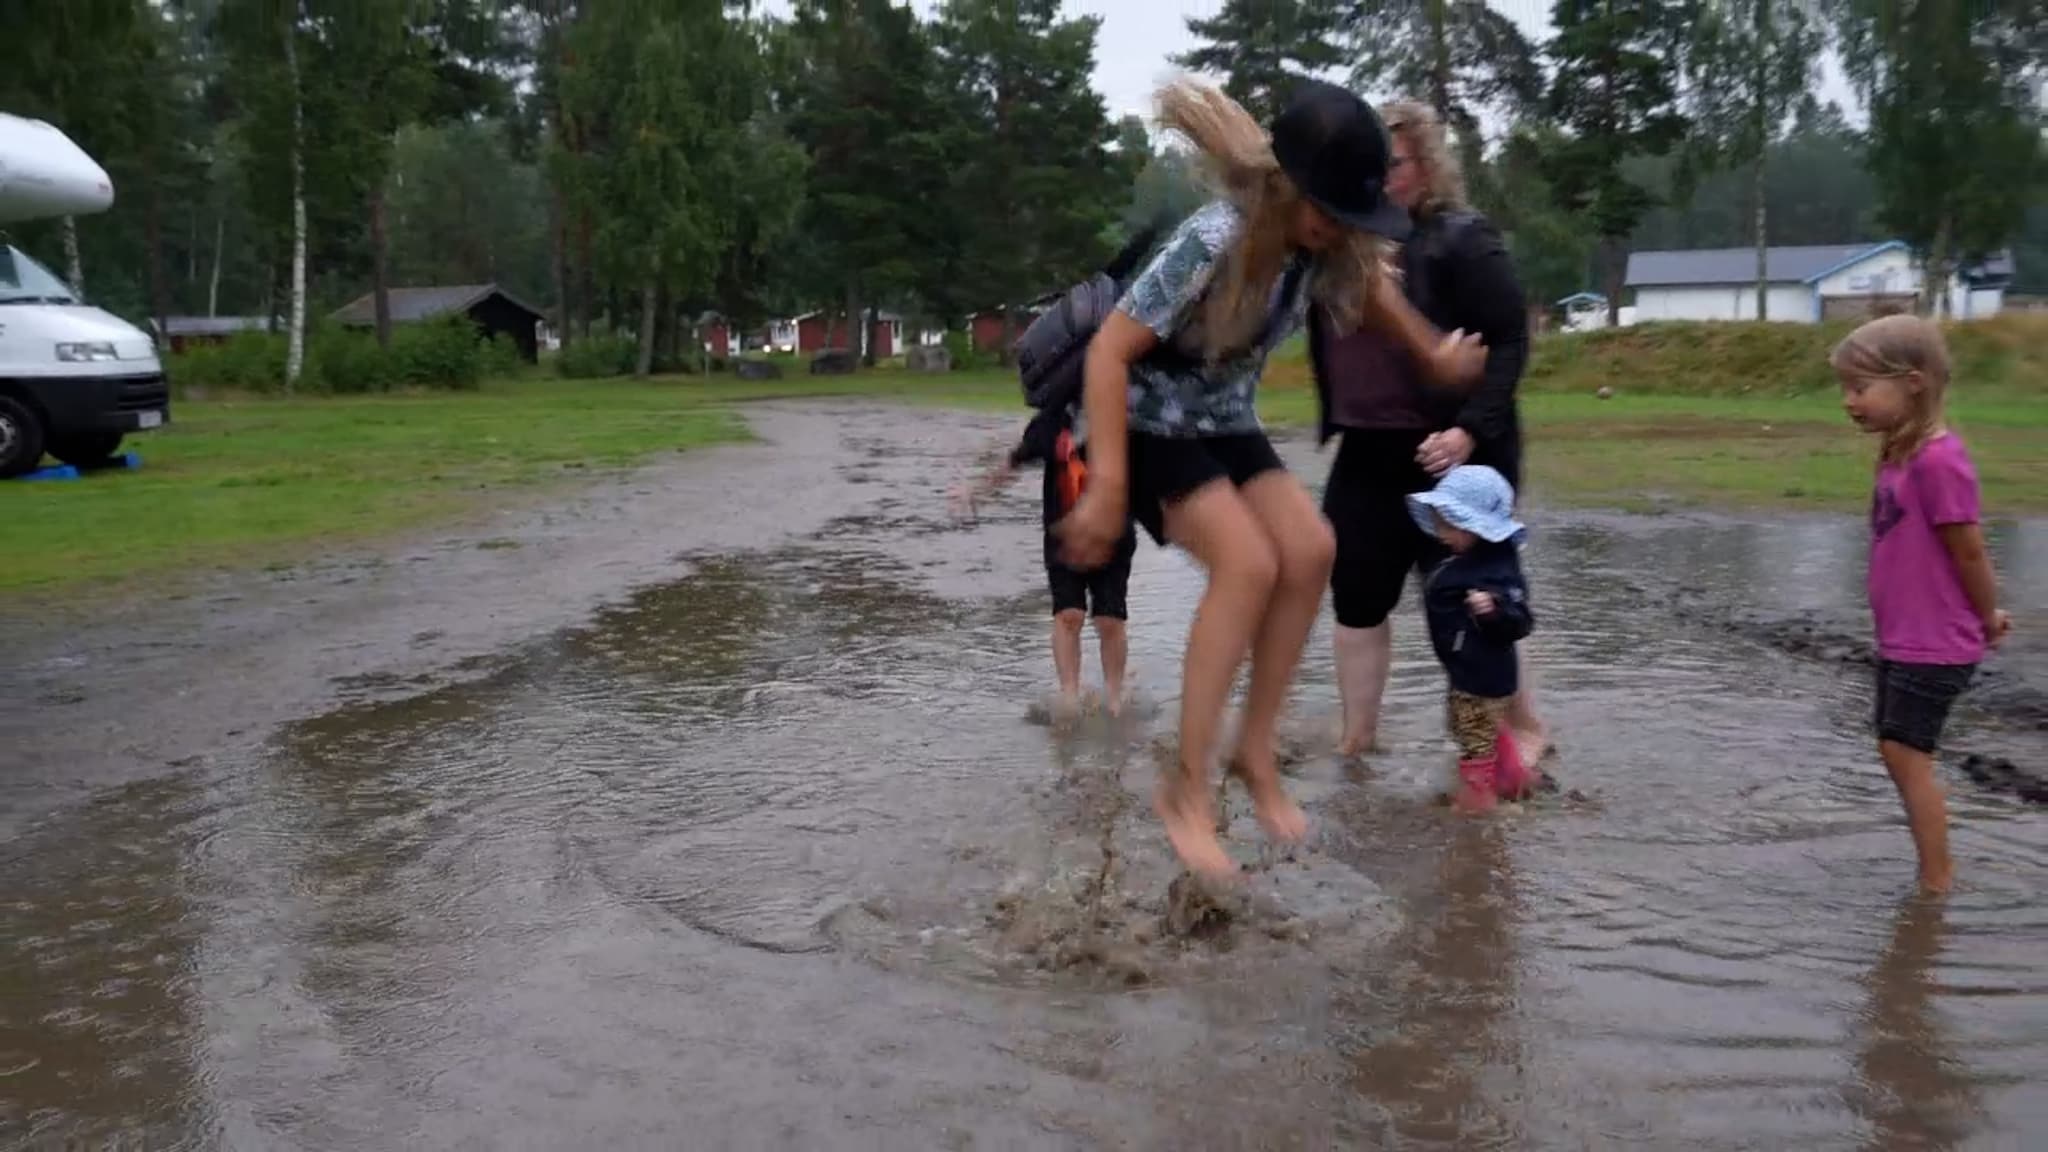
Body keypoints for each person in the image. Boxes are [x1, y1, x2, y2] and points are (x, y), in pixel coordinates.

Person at [1056, 77, 1483, 879]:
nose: (1336, 229)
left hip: (1222, 422)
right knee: (1248, 564)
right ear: (1287, 187)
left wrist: (1433, 355)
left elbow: (1378, 299)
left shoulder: (1323, 247)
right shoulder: (1215, 239)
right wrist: (1107, 484)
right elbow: (1109, 352)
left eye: (1350, 216)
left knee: (1312, 548)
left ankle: (1254, 754)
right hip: (1143, 424)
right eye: (1328, 208)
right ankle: (1187, 790)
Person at [1310, 101, 1548, 764]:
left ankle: (1523, 730)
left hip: (1456, 456)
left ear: (1427, 166)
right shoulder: (1336, 243)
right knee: (1356, 596)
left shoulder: (1462, 237)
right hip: (1366, 450)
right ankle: (1358, 739)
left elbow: (1507, 342)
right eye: (1370, 165)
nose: (1381, 178)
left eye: (1396, 164)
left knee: (1476, 595)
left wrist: (1470, 432)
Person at [1833, 314, 2010, 894]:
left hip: (1936, 641)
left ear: (1913, 382)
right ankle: (1933, 868)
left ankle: (1937, 884)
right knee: (1898, 750)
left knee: (1906, 755)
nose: (1848, 402)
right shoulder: (1898, 450)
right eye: (1845, 389)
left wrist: (1988, 617)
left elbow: (1969, 552)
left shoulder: (1939, 460)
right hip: (1905, 634)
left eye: (1860, 389)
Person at [957, 406, 1137, 719]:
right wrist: (977, 491)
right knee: (1070, 614)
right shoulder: (1050, 424)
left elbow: (1157, 472)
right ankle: (1069, 696)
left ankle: (1114, 698)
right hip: (1062, 536)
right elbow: (1014, 462)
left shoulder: (1125, 419)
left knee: (1109, 620)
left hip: (1113, 535)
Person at [1406, 465, 1538, 812]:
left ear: (1475, 526)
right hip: (1466, 671)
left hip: (1484, 677)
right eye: (1438, 521)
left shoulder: (1497, 571)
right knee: (1464, 724)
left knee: (1474, 736)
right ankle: (1511, 775)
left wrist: (1493, 610)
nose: (1440, 531)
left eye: (1448, 523)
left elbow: (1521, 621)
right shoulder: (1469, 558)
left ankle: (1477, 801)